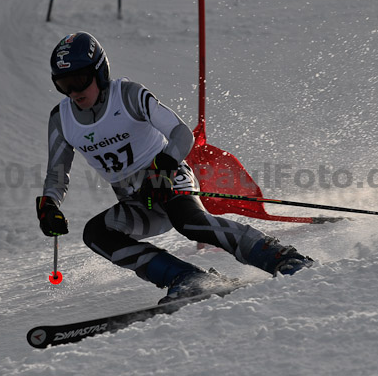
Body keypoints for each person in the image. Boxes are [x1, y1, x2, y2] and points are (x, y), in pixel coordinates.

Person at [36, 32, 313, 303]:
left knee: (189, 221)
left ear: (99, 72)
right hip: (138, 199)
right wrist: (49, 204)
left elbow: (182, 134)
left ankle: (280, 256)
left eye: (79, 81)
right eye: (63, 85)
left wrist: (163, 168)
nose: (73, 92)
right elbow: (57, 172)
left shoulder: (128, 95)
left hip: (169, 178)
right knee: (96, 234)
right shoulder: (62, 119)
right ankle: (188, 278)